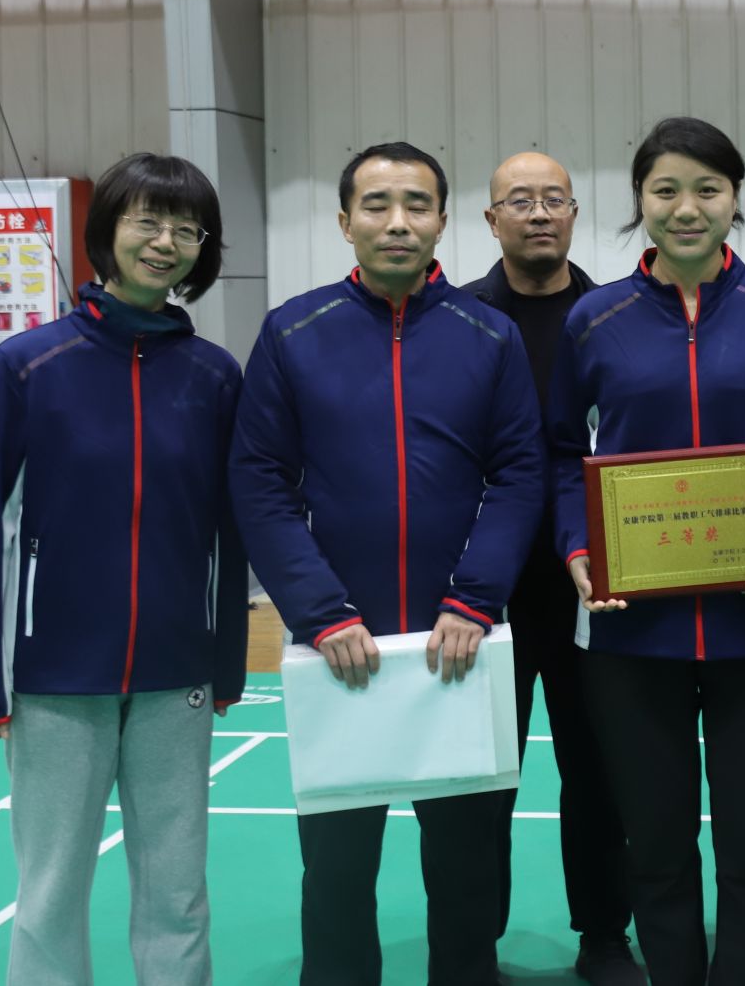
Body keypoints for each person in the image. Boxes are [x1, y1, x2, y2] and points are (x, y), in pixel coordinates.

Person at [548, 117, 745, 986]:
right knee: (655, 846)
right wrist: (579, 545)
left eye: (707, 189)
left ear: (736, 199)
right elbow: (563, 452)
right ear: (639, 200)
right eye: (666, 190)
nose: (687, 208)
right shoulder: (594, 318)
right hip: (630, 631)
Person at [232, 141, 547, 986]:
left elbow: (520, 473)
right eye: (377, 204)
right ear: (345, 222)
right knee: (336, 867)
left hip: (461, 645)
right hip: (340, 648)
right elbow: (259, 480)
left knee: (468, 860)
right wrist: (320, 610)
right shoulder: (293, 332)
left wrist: (475, 597)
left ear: (443, 220)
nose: (397, 221)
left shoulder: (490, 334)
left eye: (416, 204)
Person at [0, 155, 247, 985]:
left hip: (176, 674)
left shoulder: (215, 375)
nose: (165, 241)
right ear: (106, 230)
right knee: (50, 891)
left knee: (178, 891)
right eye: (146, 220)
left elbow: (228, 532)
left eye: (186, 228)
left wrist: (225, 661)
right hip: (54, 676)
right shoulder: (26, 365)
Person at [459, 152, 643, 986]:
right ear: (491, 218)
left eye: (554, 199)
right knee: (481, 779)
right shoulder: (458, 322)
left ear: (574, 213)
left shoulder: (611, 319)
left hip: (594, 591)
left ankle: (604, 932)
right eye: (520, 200)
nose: (538, 213)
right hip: (482, 594)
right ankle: (473, 941)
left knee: (599, 772)